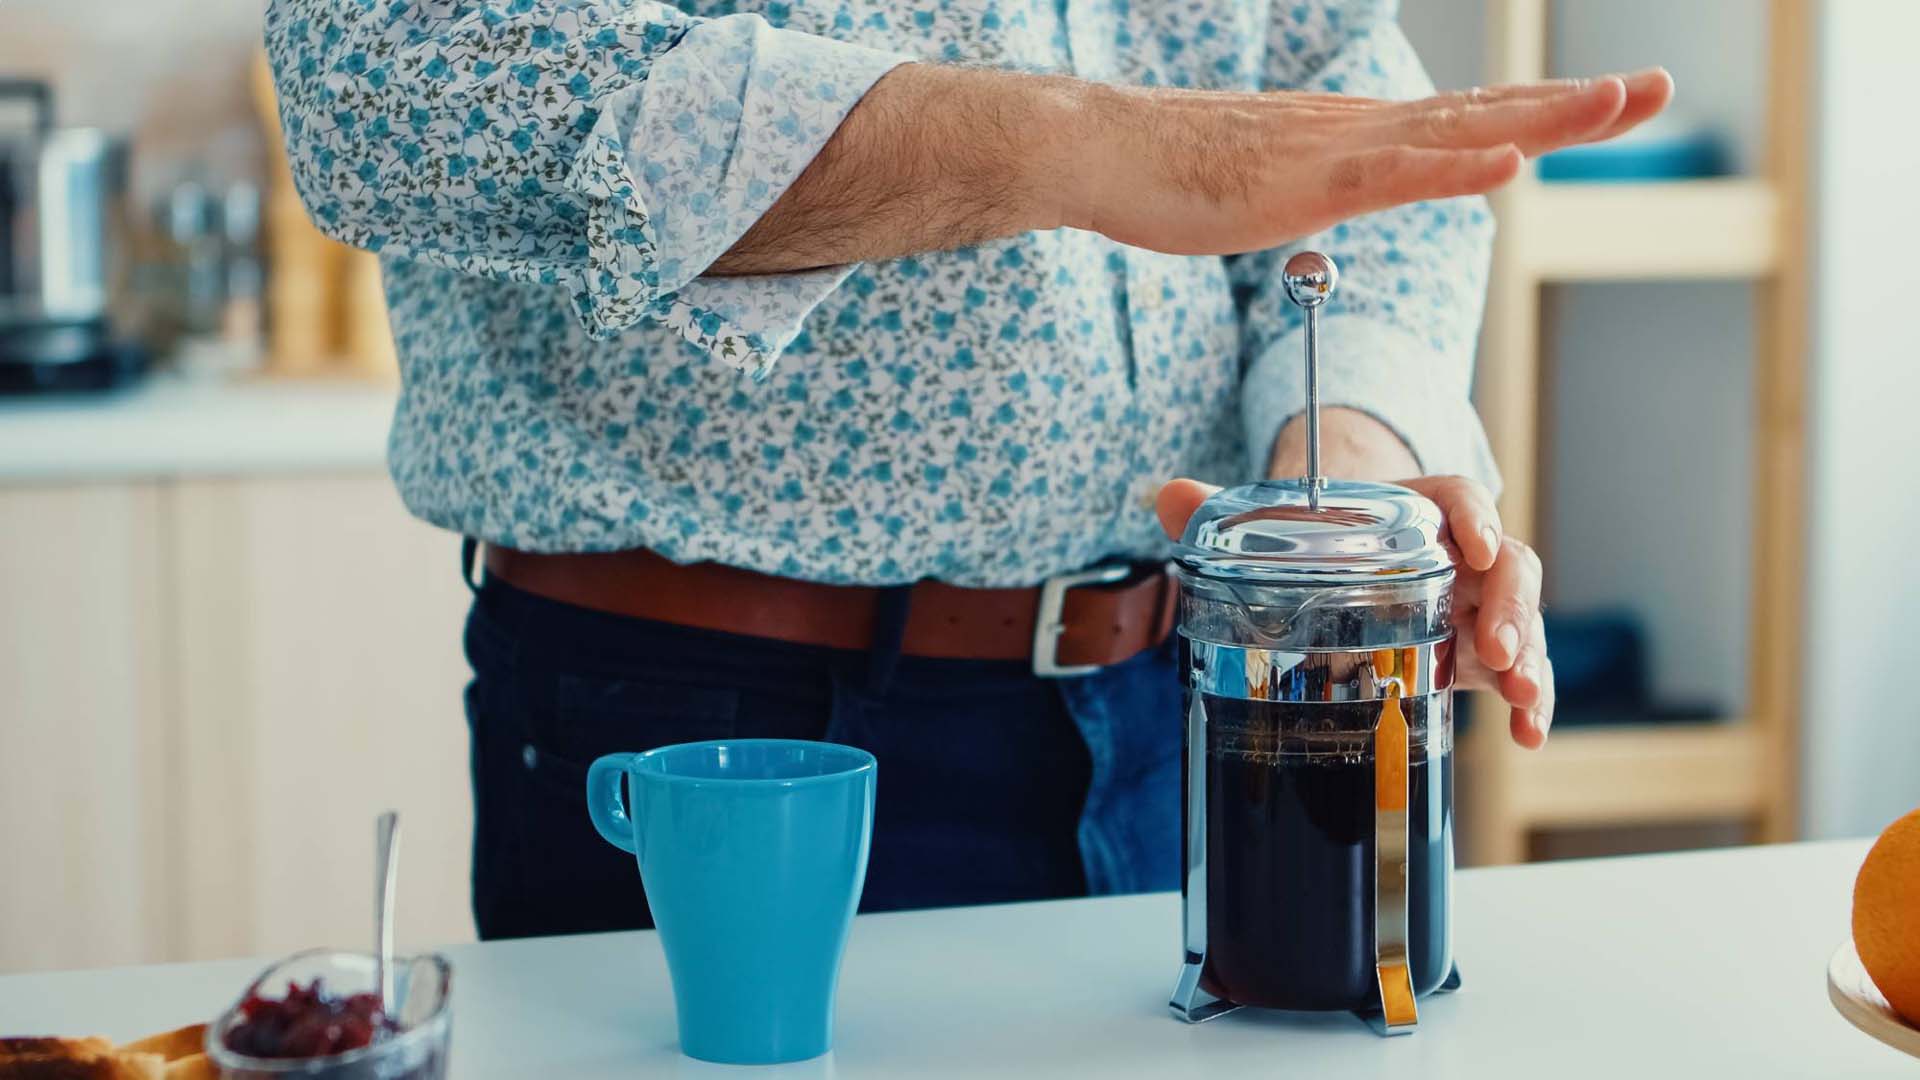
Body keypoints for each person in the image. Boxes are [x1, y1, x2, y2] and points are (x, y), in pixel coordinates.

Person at [264, 0, 1669, 939]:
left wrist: (1336, 485)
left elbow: (1354, 135)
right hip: (724, 735)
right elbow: (388, 89)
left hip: (1191, 709)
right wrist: (1067, 144)